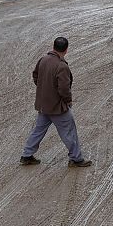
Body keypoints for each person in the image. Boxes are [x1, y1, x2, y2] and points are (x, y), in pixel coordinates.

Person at [19, 36, 93, 168]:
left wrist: (44, 89)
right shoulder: (61, 66)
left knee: (38, 130)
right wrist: (68, 101)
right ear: (66, 50)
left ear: (53, 47)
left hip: (43, 105)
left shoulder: (43, 60)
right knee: (69, 131)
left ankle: (27, 155)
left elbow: (35, 76)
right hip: (57, 107)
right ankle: (76, 159)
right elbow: (64, 89)